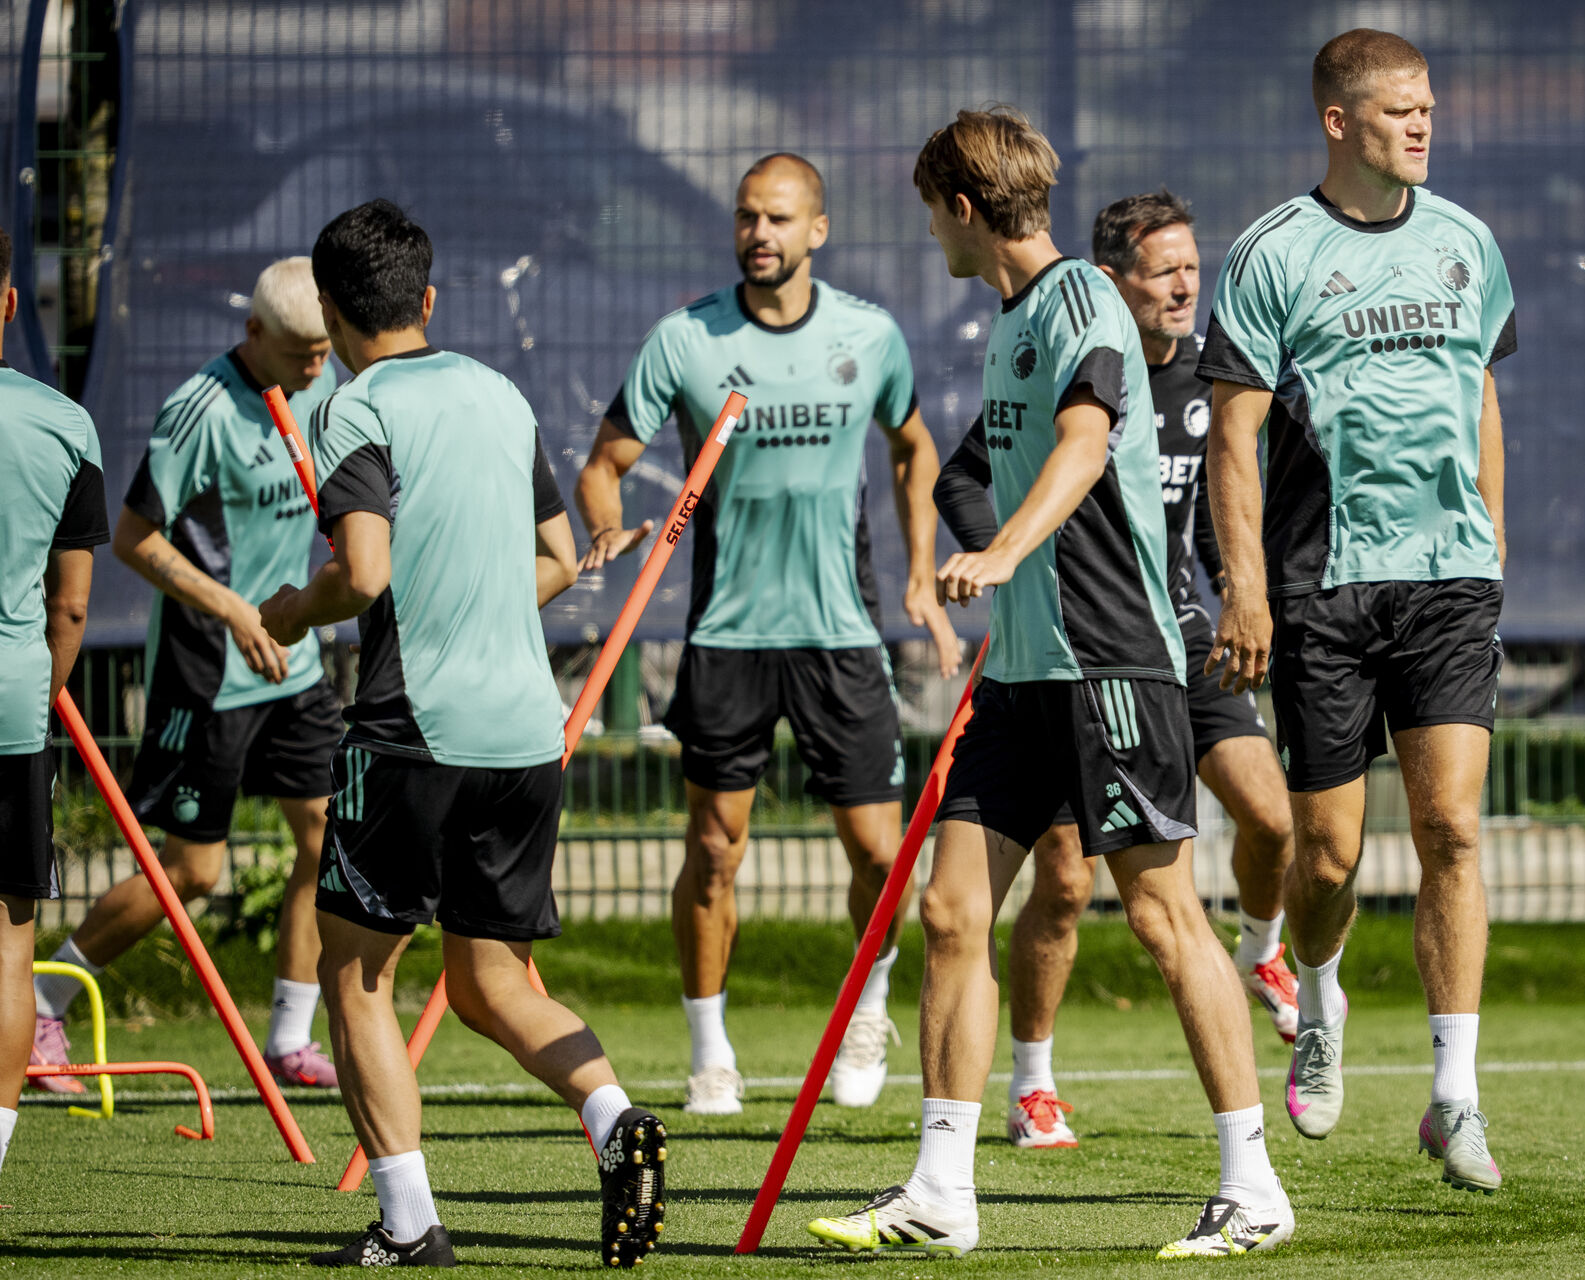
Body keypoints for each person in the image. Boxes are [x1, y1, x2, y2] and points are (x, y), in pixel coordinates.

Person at [808, 107, 1293, 1260]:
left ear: (965, 209)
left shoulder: (1080, 298)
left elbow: (1084, 440)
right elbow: (975, 469)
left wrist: (1009, 551)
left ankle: (1254, 1184)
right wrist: (978, 546)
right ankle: (940, 1186)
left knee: (1167, 918)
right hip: (1021, 676)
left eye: (934, 212)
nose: (932, 233)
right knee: (950, 910)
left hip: (1108, 663)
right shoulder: (1012, 319)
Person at [259, 199, 664, 1267]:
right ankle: (616, 1120)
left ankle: (407, 1223)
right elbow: (558, 558)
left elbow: (365, 571)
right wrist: (475, 601)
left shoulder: (353, 406)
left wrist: (298, 610)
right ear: (429, 300)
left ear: (335, 312)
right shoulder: (499, 392)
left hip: (410, 731)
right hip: (526, 734)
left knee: (358, 977)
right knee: (492, 982)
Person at [574, 153, 959, 1115]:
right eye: (749, 217)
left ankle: (866, 1011)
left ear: (816, 231)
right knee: (713, 849)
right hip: (728, 636)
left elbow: (915, 447)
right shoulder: (686, 340)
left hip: (839, 635)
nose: (761, 234)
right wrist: (607, 522)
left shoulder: (868, 336)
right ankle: (711, 1051)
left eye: (780, 219)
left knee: (878, 853)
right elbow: (604, 460)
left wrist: (919, 568)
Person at [1202, 29, 1515, 1195]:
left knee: (1451, 830)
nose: (1421, 126)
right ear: (1338, 121)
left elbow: (1481, 390)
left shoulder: (1468, 242)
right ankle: (1322, 997)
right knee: (1327, 852)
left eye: (1427, 106)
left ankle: (1454, 1096)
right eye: (1396, 111)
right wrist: (1245, 587)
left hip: (1446, 582)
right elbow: (1234, 433)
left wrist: (1492, 542)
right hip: (1320, 588)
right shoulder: (1272, 252)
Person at [932, 189, 1298, 1153]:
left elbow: (1131, 467)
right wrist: (1004, 561)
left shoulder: (1194, 376)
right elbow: (965, 473)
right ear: (1115, 278)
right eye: (1164, 268)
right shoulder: (1039, 329)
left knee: (1231, 852)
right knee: (995, 899)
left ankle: (1262, 1011)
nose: (1186, 285)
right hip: (1046, 658)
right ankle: (978, 1142)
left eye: (1193, 266)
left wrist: (1244, 595)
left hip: (1144, 648)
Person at [29, 259, 347, 1093]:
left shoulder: (324, 384)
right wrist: (234, 610)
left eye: (326, 349)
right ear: (254, 334)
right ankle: (41, 1000)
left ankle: (288, 1035)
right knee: (192, 874)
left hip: (296, 663)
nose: (319, 366)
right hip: (209, 670)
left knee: (325, 834)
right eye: (303, 352)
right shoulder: (197, 412)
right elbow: (134, 538)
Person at [0, 228, 110, 1178]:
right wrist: (37, 693)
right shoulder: (63, 424)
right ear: (6, 304)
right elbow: (69, 602)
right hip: (10, 708)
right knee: (8, 944)